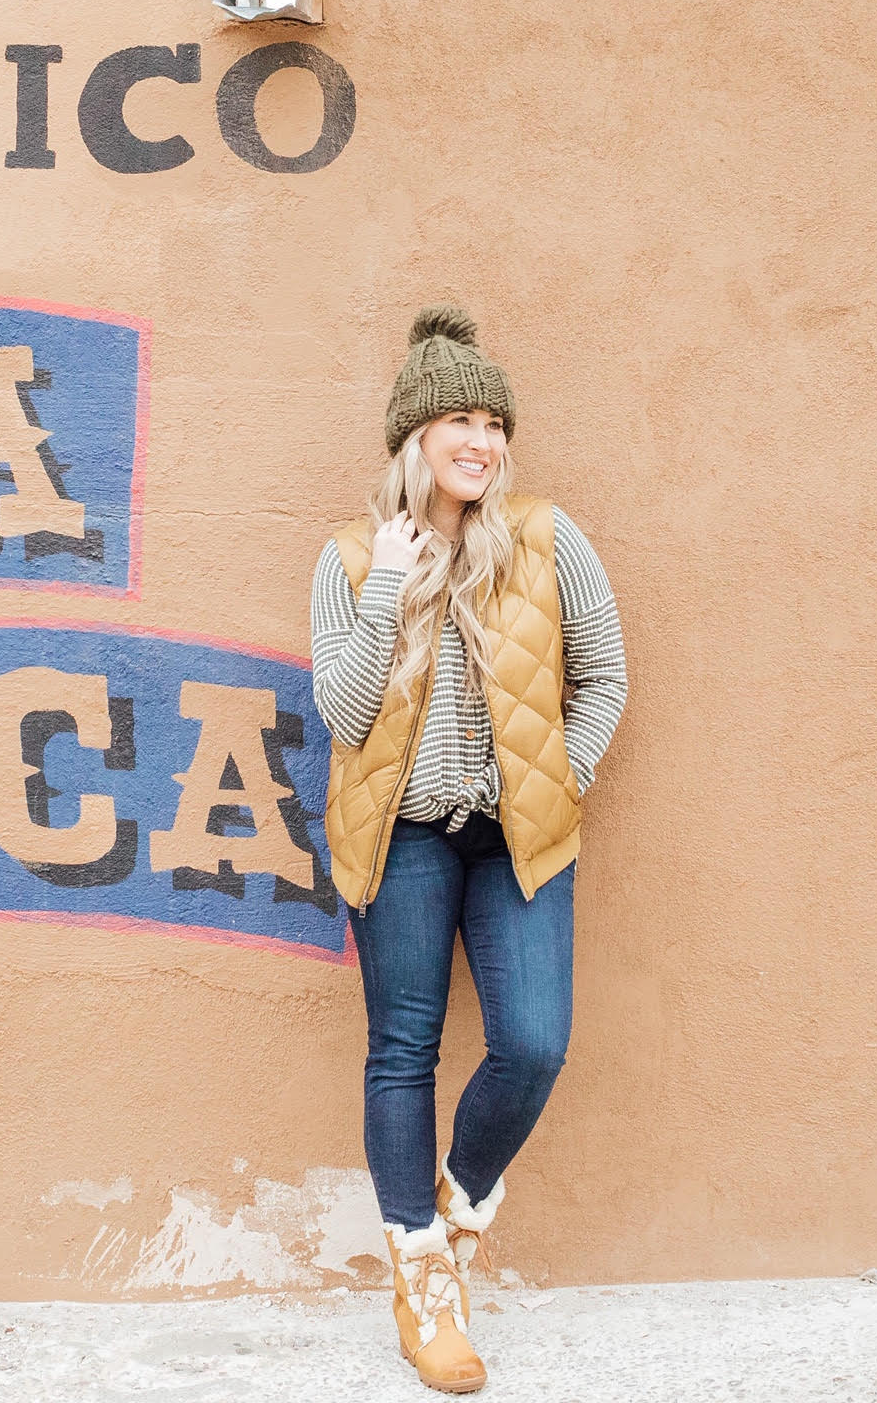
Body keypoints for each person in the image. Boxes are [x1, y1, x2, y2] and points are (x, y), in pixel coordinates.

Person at [310, 306, 628, 1393]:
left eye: (494, 420)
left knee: (533, 1043)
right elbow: (347, 717)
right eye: (459, 418)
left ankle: (456, 1211)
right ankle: (421, 1280)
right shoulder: (352, 558)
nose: (482, 440)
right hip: (398, 837)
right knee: (401, 1051)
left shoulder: (546, 537)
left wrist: (561, 777)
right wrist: (390, 587)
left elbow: (606, 678)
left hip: (516, 841)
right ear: (413, 437)